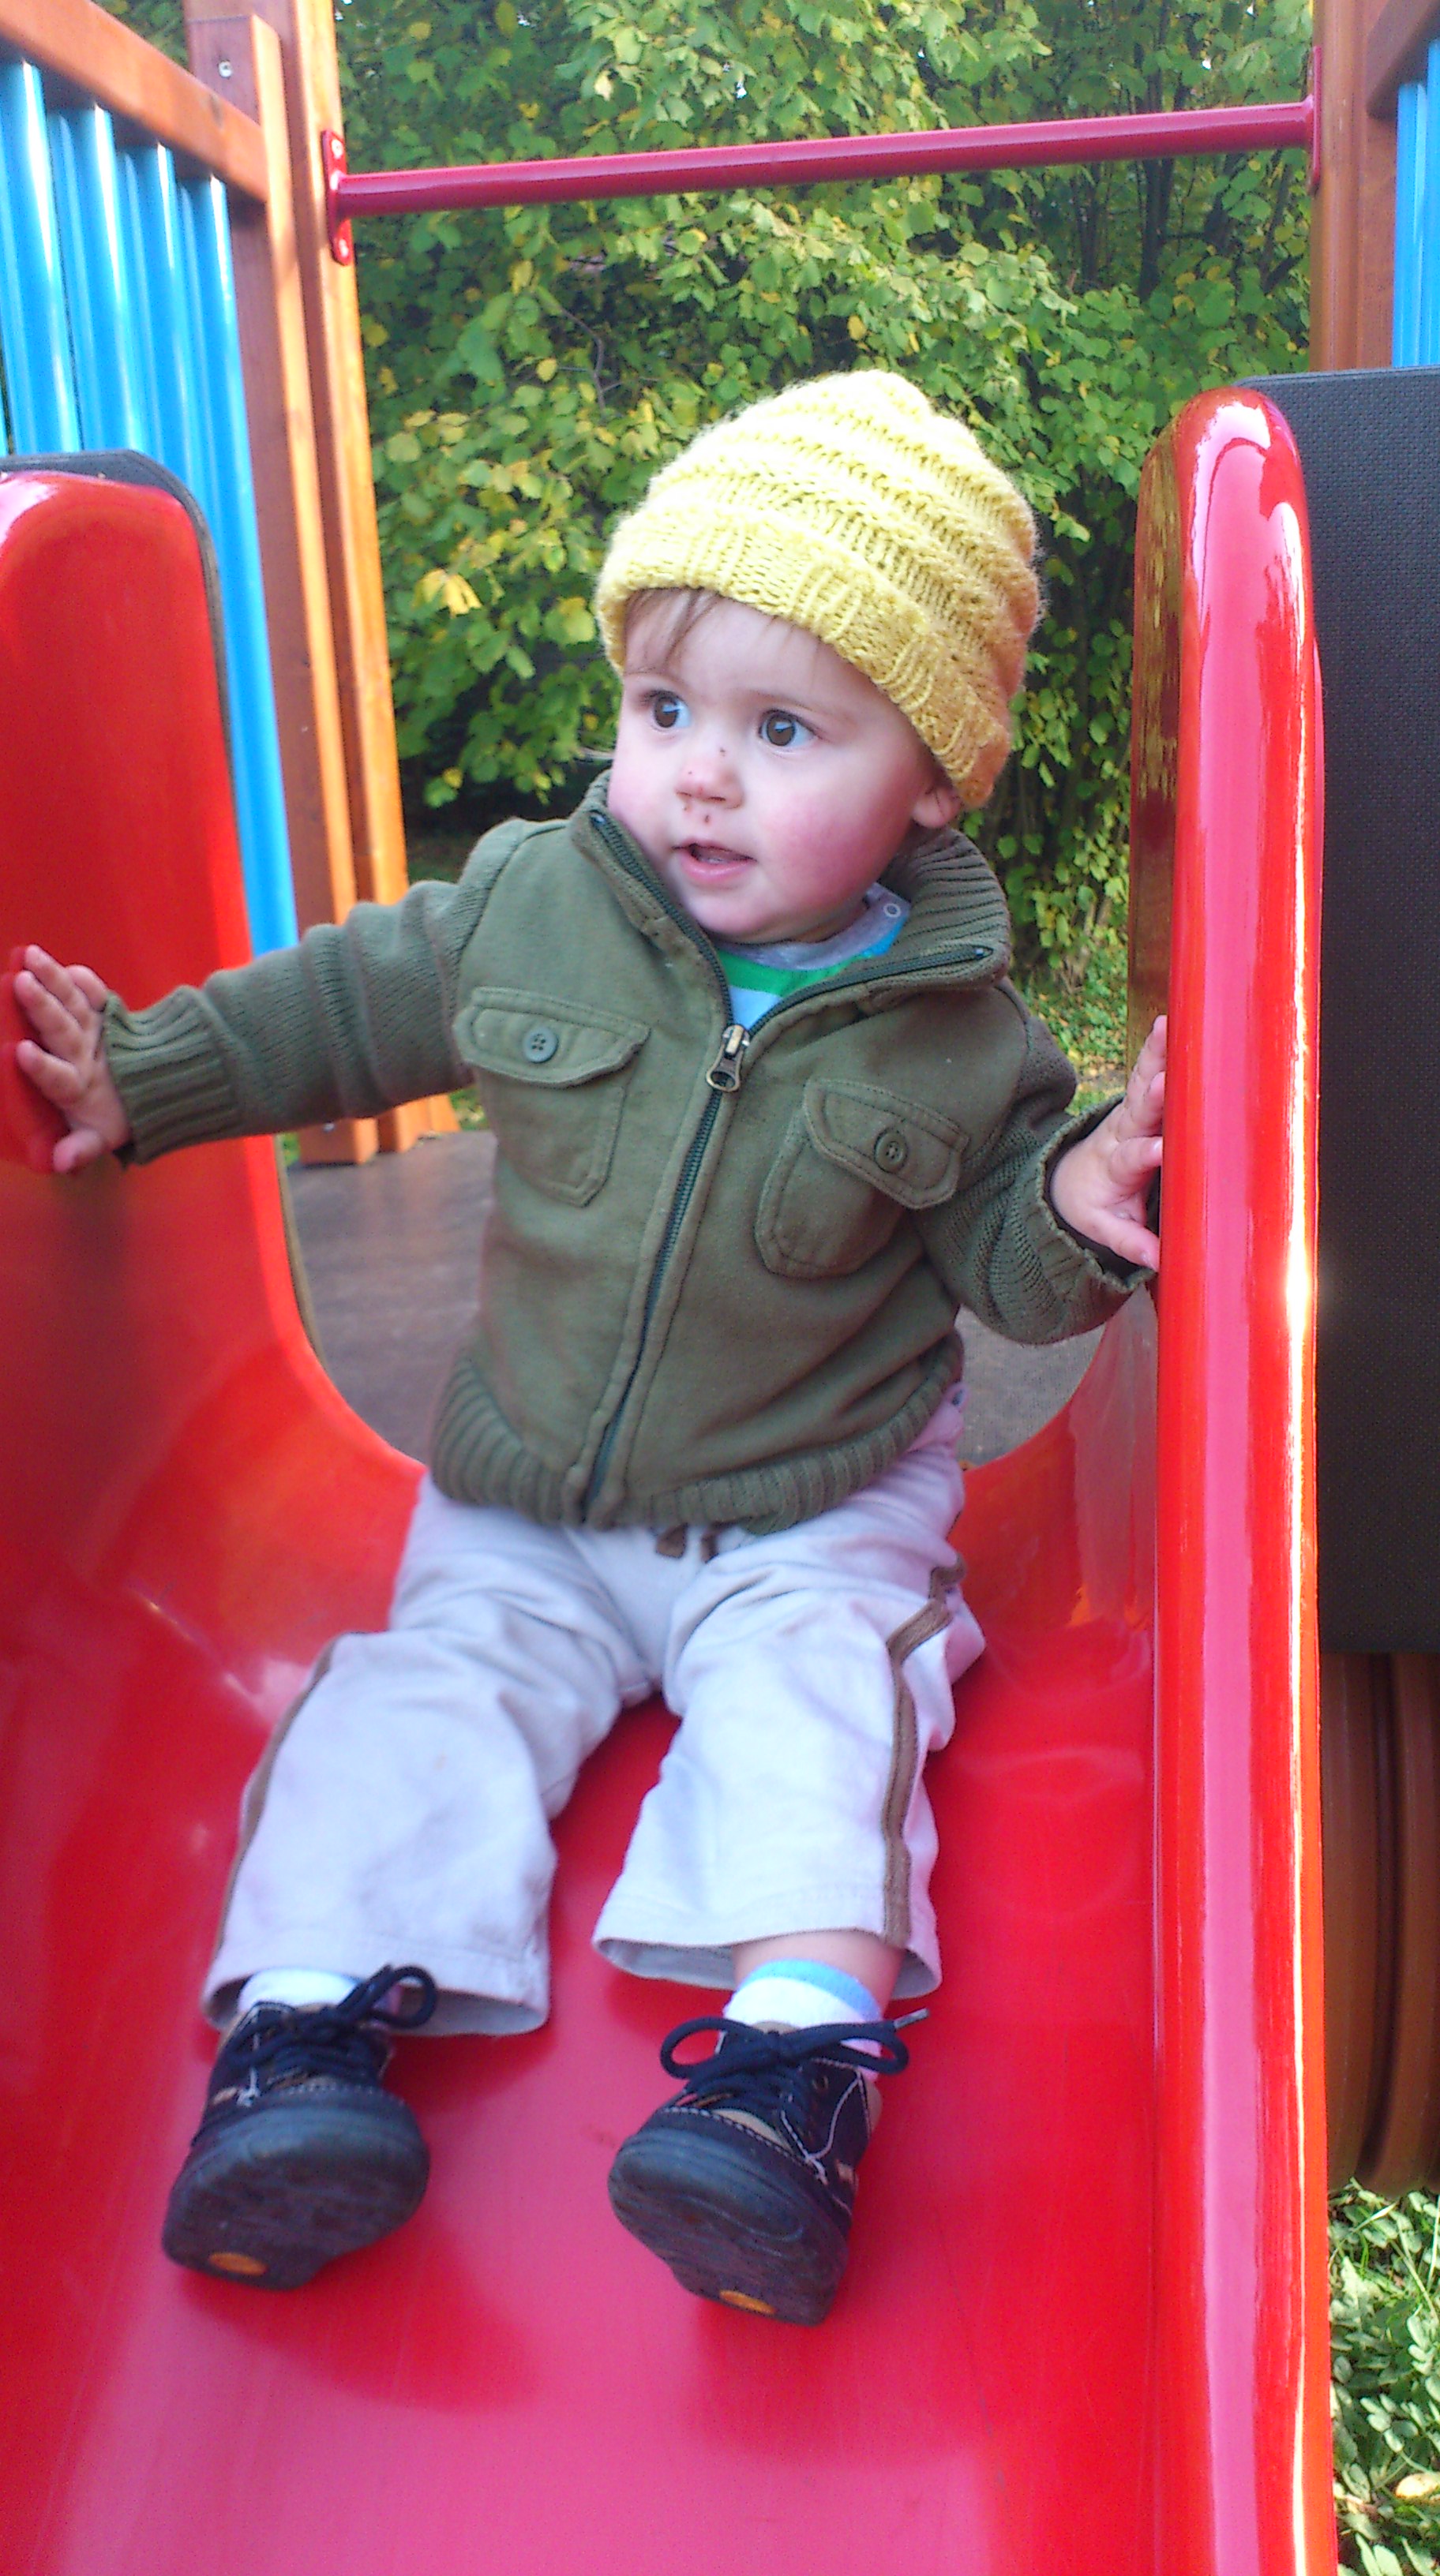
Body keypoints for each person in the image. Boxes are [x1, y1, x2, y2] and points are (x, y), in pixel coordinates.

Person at [13, 371, 1164, 2326]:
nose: (699, 776)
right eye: (664, 708)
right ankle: (302, 2045)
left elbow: (1002, 1250)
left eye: (782, 730)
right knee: (408, 1707)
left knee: (828, 1703)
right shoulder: (538, 907)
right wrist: (147, 1074)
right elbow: (348, 1008)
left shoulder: (965, 1040)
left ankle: (788, 2079)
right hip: (527, 1498)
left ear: (931, 777)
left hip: (804, 1509)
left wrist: (1076, 1201)